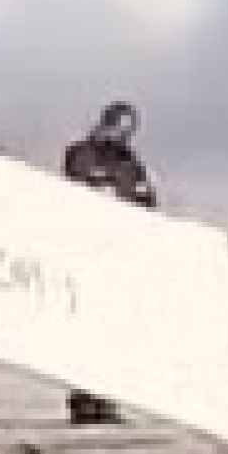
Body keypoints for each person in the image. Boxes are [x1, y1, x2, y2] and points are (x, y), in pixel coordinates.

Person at [59, 101, 158, 425]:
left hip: (118, 259)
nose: (124, 137)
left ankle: (105, 400)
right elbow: (75, 190)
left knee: (112, 331)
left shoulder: (130, 163)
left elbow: (146, 201)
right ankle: (83, 401)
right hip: (87, 256)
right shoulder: (80, 154)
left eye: (130, 132)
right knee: (86, 331)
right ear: (108, 124)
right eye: (121, 129)